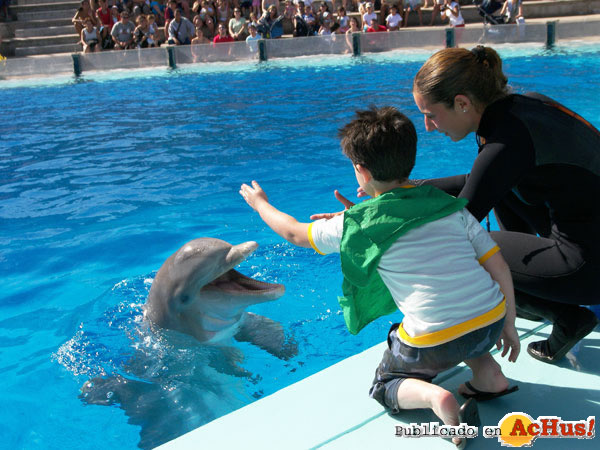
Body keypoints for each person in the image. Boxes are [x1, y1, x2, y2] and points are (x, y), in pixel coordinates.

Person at [240, 106, 520, 449]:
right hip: (490, 322)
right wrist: (508, 322)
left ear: (361, 170)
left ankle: (436, 400)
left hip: (436, 340)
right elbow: (499, 266)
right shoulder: (448, 207)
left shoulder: (357, 225)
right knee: (462, 315)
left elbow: (295, 233)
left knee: (385, 383)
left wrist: (260, 204)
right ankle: (490, 376)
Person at [410, 46, 600, 365]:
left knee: (468, 252)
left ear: (462, 103)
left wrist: (376, 221)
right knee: (503, 191)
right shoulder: (521, 110)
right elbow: (480, 180)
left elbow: (455, 229)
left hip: (590, 267)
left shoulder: (505, 142)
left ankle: (565, 314)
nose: (428, 126)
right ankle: (541, 289)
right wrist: (407, 189)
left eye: (430, 114)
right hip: (589, 240)